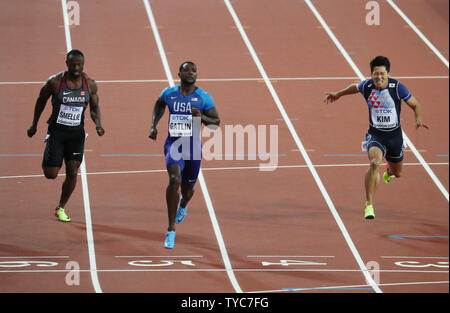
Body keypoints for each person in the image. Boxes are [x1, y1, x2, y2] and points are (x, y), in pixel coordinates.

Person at [324, 56, 428, 219]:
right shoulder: (367, 86)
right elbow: (354, 87)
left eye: (382, 74)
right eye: (375, 74)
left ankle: (389, 171)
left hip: (395, 137)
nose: (379, 77)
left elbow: (416, 105)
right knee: (374, 163)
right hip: (376, 135)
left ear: (388, 74)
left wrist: (418, 119)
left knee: (397, 173)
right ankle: (369, 205)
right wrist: (339, 94)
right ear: (371, 74)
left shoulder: (397, 87)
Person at [27, 49, 105, 222]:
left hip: (76, 134)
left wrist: (98, 124)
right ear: (67, 64)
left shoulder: (90, 84)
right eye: (73, 64)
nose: (76, 67)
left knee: (72, 171)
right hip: (57, 133)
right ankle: (53, 156)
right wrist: (34, 124)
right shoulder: (55, 82)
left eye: (79, 64)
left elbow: (94, 107)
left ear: (83, 65)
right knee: (51, 174)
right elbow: (41, 100)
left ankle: (60, 207)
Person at [149, 61, 220, 248]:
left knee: (188, 190)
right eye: (187, 70)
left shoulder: (204, 97)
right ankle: (170, 229)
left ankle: (183, 204)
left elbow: (216, 123)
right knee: (174, 180)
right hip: (174, 145)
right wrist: (153, 125)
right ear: (179, 73)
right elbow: (159, 105)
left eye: (194, 70)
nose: (191, 73)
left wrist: (202, 117)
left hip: (193, 148)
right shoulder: (169, 93)